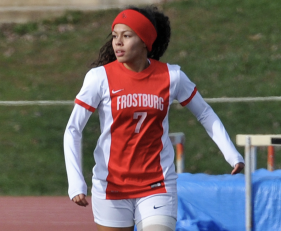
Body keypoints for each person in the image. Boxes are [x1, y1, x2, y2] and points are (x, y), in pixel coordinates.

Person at [64, 5, 245, 231]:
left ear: (144, 41)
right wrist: (75, 182)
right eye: (114, 36)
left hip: (158, 183)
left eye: (126, 36)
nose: (118, 42)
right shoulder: (99, 78)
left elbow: (204, 112)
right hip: (111, 186)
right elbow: (73, 130)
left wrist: (231, 153)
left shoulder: (172, 76)